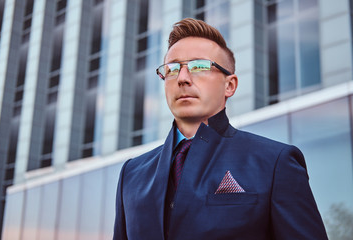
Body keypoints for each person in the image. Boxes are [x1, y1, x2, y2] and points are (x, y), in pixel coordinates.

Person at [113, 18, 328, 240]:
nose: (183, 78)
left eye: (199, 66)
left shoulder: (275, 162)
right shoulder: (132, 173)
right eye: (172, 68)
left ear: (230, 85)